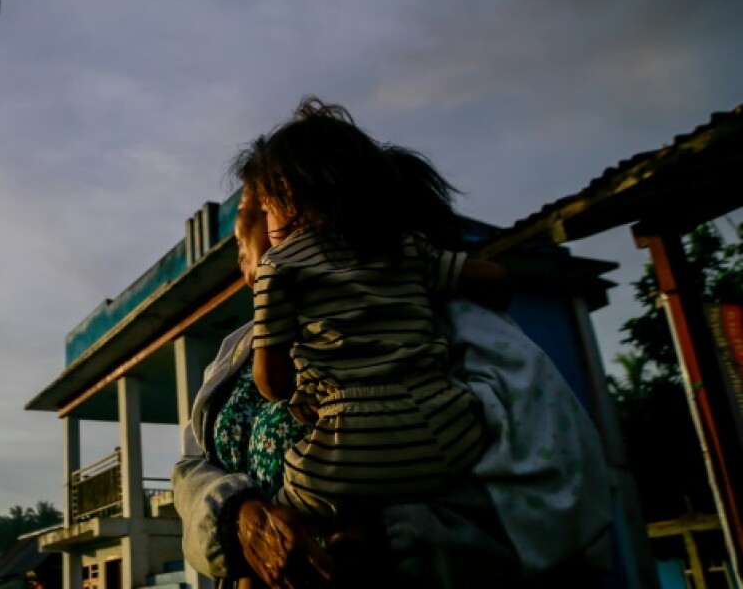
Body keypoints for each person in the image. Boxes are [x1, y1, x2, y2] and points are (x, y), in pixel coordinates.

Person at [172, 117, 614, 587]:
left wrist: (395, 542)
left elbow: (561, 500)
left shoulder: (450, 327)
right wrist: (239, 520)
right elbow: (191, 469)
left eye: (253, 207)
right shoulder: (237, 350)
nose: (239, 230)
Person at [239, 98, 506, 520]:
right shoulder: (406, 247)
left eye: (266, 208)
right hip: (448, 432)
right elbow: (493, 278)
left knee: (285, 517)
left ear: (289, 196)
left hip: (349, 444)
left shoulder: (281, 266)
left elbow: (271, 382)